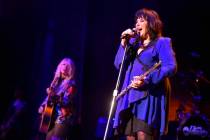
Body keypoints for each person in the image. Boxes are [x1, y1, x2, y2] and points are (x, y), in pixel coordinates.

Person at [113, 8, 177, 140]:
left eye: (142, 20)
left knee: (143, 134)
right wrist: (123, 44)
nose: (137, 24)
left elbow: (171, 67)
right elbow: (119, 65)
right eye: (136, 21)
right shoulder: (132, 45)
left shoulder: (161, 42)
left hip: (147, 96)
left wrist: (148, 79)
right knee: (130, 136)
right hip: (129, 97)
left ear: (152, 24)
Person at [38, 57, 77, 140]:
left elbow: (66, 101)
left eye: (68, 66)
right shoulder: (55, 81)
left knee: (56, 138)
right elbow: (49, 97)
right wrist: (43, 105)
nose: (65, 67)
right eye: (63, 64)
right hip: (50, 116)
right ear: (60, 66)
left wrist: (53, 94)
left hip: (62, 117)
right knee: (48, 138)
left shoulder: (71, 84)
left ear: (71, 69)